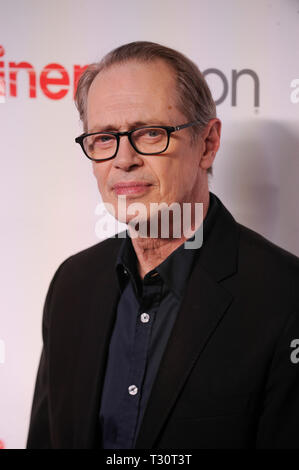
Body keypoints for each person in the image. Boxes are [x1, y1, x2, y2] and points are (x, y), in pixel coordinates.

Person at [27, 41, 299, 449]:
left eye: (150, 133)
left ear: (206, 144)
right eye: (103, 138)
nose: (123, 160)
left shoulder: (285, 295)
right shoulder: (71, 283)